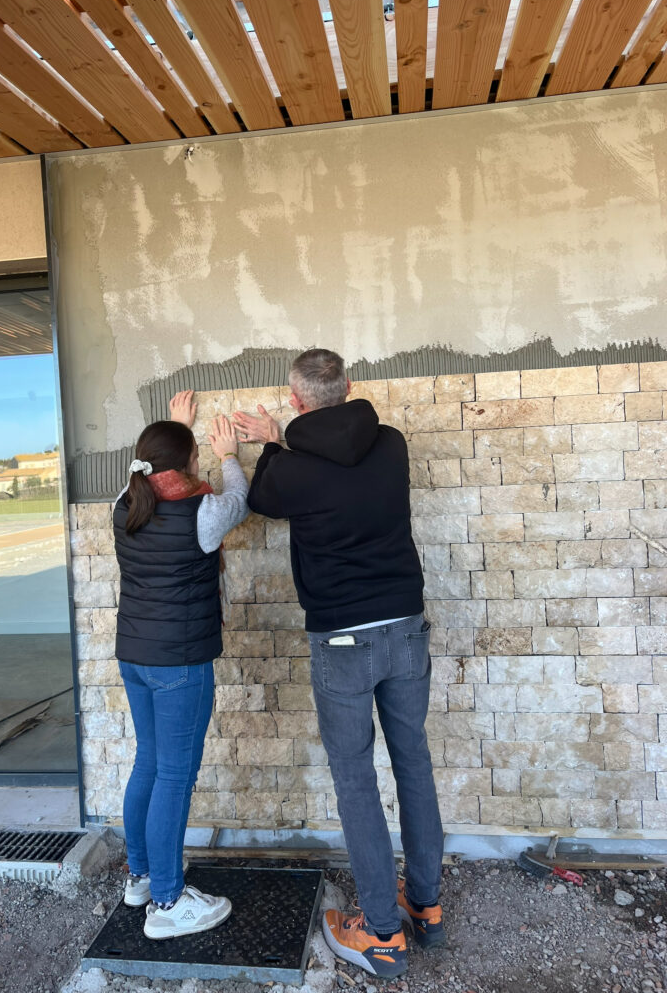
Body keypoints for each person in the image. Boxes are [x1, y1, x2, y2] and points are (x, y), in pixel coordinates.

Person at [233, 350, 444, 979]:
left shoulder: (290, 470)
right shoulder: (393, 444)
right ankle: (425, 905)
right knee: (414, 763)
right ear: (349, 388)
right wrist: (289, 438)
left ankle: (381, 932)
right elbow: (338, 451)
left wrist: (273, 440)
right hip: (406, 627)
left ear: (296, 400)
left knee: (356, 782)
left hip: (343, 642)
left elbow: (261, 497)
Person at [112, 390, 248, 940]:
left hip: (135, 658)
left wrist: (176, 427)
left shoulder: (124, 503)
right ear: (190, 464)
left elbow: (146, 469)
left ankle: (142, 877)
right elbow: (240, 498)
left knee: (149, 762)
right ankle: (168, 904)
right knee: (174, 775)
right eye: (194, 458)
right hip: (180, 664)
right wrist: (231, 455)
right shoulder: (202, 511)